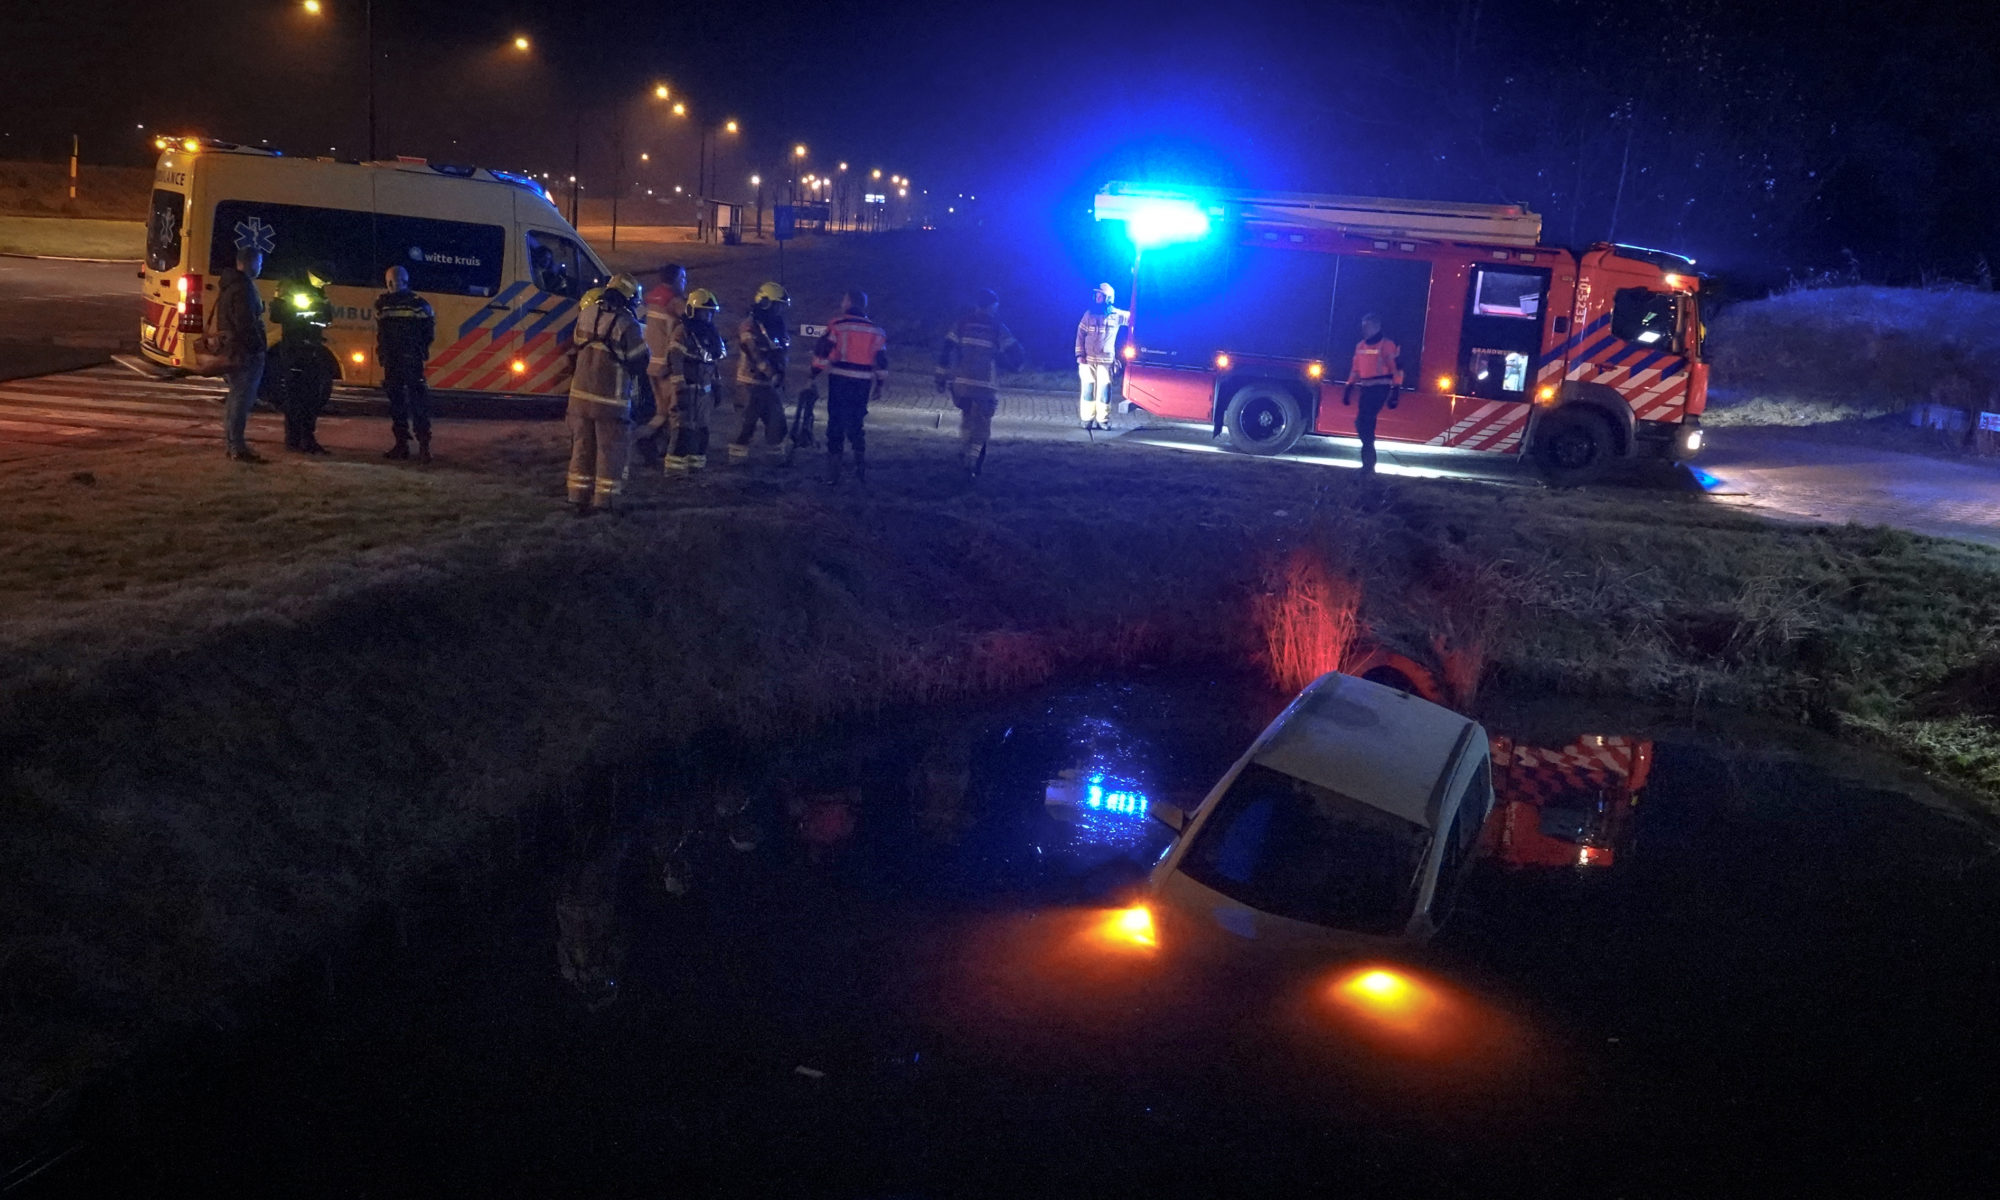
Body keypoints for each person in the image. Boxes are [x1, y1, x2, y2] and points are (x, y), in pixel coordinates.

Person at [565, 273, 649, 514]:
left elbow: (576, 346)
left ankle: (577, 497)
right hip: (610, 401)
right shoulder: (627, 324)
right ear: (629, 297)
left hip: (579, 397)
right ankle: (605, 501)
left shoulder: (586, 314)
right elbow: (639, 360)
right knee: (609, 451)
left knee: (581, 447)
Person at [935, 288, 1023, 478]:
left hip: (961, 384)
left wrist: (941, 376)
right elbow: (1015, 351)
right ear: (992, 306)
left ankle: (964, 449)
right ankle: (972, 463)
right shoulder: (997, 326)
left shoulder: (962, 323)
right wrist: (1014, 366)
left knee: (967, 417)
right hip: (985, 385)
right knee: (982, 426)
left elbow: (946, 349)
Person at [809, 290, 888, 485]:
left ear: (849, 302)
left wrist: (813, 374)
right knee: (856, 422)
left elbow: (823, 350)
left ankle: (832, 475)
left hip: (840, 380)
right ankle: (860, 469)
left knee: (836, 422)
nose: (842, 303)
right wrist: (879, 384)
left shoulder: (837, 325)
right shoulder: (876, 331)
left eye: (844, 299)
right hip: (862, 382)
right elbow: (881, 360)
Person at [374, 265, 437, 463]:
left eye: (396, 281)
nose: (394, 285)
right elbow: (428, 333)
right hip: (402, 359)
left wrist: (385, 352)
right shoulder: (417, 304)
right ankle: (409, 445)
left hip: (403, 359)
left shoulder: (386, 304)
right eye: (392, 282)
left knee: (409, 403)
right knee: (404, 404)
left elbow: (382, 333)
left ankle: (418, 446)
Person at [271, 262, 334, 455]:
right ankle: (294, 439)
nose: (323, 284)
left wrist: (314, 317)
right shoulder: (289, 286)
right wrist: (305, 316)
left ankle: (308, 438)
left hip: (313, 348)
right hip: (295, 349)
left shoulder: (319, 290)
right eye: (322, 280)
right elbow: (276, 314)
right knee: (294, 396)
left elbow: (327, 317)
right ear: (312, 274)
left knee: (312, 397)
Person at [663, 288, 727, 472]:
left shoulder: (711, 334)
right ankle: (674, 470)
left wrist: (717, 386)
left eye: (710, 312)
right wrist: (679, 387)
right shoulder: (682, 332)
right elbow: (675, 360)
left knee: (701, 428)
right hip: (686, 390)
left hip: (703, 392)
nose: (707, 316)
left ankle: (696, 467)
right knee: (682, 428)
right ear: (693, 311)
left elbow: (714, 362)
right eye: (703, 312)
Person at [214, 246, 268, 462]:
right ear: (252, 263)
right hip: (244, 353)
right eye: (260, 263)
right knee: (241, 399)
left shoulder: (230, 285)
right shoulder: (243, 288)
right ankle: (237, 447)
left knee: (235, 397)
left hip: (233, 350)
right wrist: (257, 348)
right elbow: (245, 323)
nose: (261, 267)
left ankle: (232, 444)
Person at [729, 282, 791, 462]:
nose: (780, 310)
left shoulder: (778, 325)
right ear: (766, 303)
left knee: (776, 422)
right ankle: (736, 463)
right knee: (745, 425)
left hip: (767, 384)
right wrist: (771, 372)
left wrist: (780, 371)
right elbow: (753, 352)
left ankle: (775, 460)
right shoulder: (750, 325)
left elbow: (782, 349)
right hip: (749, 383)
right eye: (777, 305)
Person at [1340, 312, 1404, 475]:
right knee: (1362, 423)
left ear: (1376, 327)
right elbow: (1355, 369)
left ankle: (1368, 465)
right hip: (1366, 389)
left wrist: (1395, 391)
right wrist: (1349, 387)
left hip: (1379, 389)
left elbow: (1397, 369)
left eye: (1367, 326)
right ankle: (1368, 465)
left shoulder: (1386, 345)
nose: (1364, 330)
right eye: (1363, 326)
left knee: (1365, 422)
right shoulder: (1360, 346)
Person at [639, 262, 688, 463]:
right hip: (667, 366)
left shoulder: (651, 298)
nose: (685, 282)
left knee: (661, 410)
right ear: (676, 280)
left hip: (651, 363)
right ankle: (648, 441)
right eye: (683, 278)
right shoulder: (675, 302)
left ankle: (652, 444)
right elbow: (692, 323)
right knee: (672, 411)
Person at [1074, 281, 1128, 431]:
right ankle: (1087, 419)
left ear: (1108, 298)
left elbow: (1134, 318)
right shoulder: (1088, 315)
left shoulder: (1116, 315)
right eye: (1096, 295)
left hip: (1106, 361)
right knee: (1088, 389)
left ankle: (1103, 420)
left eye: (1100, 295)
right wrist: (1079, 355)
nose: (1097, 298)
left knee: (1105, 390)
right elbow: (1080, 335)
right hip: (1087, 360)